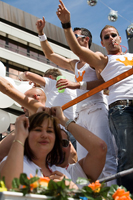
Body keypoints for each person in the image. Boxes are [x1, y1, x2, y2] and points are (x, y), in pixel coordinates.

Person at [56, 0, 133, 192]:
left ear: (120, 38)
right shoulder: (103, 60)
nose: (111, 39)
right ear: (102, 43)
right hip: (121, 107)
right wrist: (67, 25)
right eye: (106, 37)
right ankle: (124, 195)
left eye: (114, 35)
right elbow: (77, 49)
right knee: (127, 156)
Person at [35, 14, 117, 185]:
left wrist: (77, 85)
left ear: (86, 39)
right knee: (84, 160)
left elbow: (104, 82)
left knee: (106, 155)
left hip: (96, 108)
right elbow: (50, 54)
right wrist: (41, 34)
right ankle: (86, 193)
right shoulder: (74, 64)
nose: (71, 39)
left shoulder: (95, 57)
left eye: (76, 36)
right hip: (80, 115)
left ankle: (112, 193)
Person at [0, 106, 107, 189]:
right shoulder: (13, 163)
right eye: (38, 129)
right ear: (26, 134)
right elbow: (9, 189)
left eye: (50, 131)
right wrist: (21, 132)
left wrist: (72, 191)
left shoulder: (64, 174)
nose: (44, 135)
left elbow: (100, 148)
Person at [0, 76, 77, 165]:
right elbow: (72, 155)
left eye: (23, 102)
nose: (21, 106)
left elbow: (7, 88)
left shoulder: (39, 111)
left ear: (35, 98)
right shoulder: (55, 126)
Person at [18, 68, 77, 149]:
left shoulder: (53, 83)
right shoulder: (72, 89)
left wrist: (20, 76)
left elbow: (27, 74)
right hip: (74, 129)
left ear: (50, 77)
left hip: (62, 134)